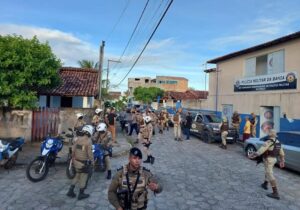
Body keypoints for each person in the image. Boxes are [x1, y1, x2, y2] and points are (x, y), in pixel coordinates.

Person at [249, 129, 285, 200]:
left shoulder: (269, 141)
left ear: (270, 135)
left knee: (269, 173)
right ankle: (265, 184)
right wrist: (282, 161)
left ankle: (275, 192)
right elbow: (282, 153)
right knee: (267, 171)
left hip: (268, 159)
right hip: (274, 159)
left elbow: (261, 150)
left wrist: (253, 154)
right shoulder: (278, 142)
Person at [66, 125, 94, 200]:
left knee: (77, 175)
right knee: (83, 177)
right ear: (90, 132)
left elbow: (73, 150)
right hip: (83, 163)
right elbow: (90, 154)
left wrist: (72, 159)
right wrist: (92, 162)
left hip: (75, 161)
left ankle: (70, 191)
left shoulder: (77, 139)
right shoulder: (88, 141)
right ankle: (81, 194)